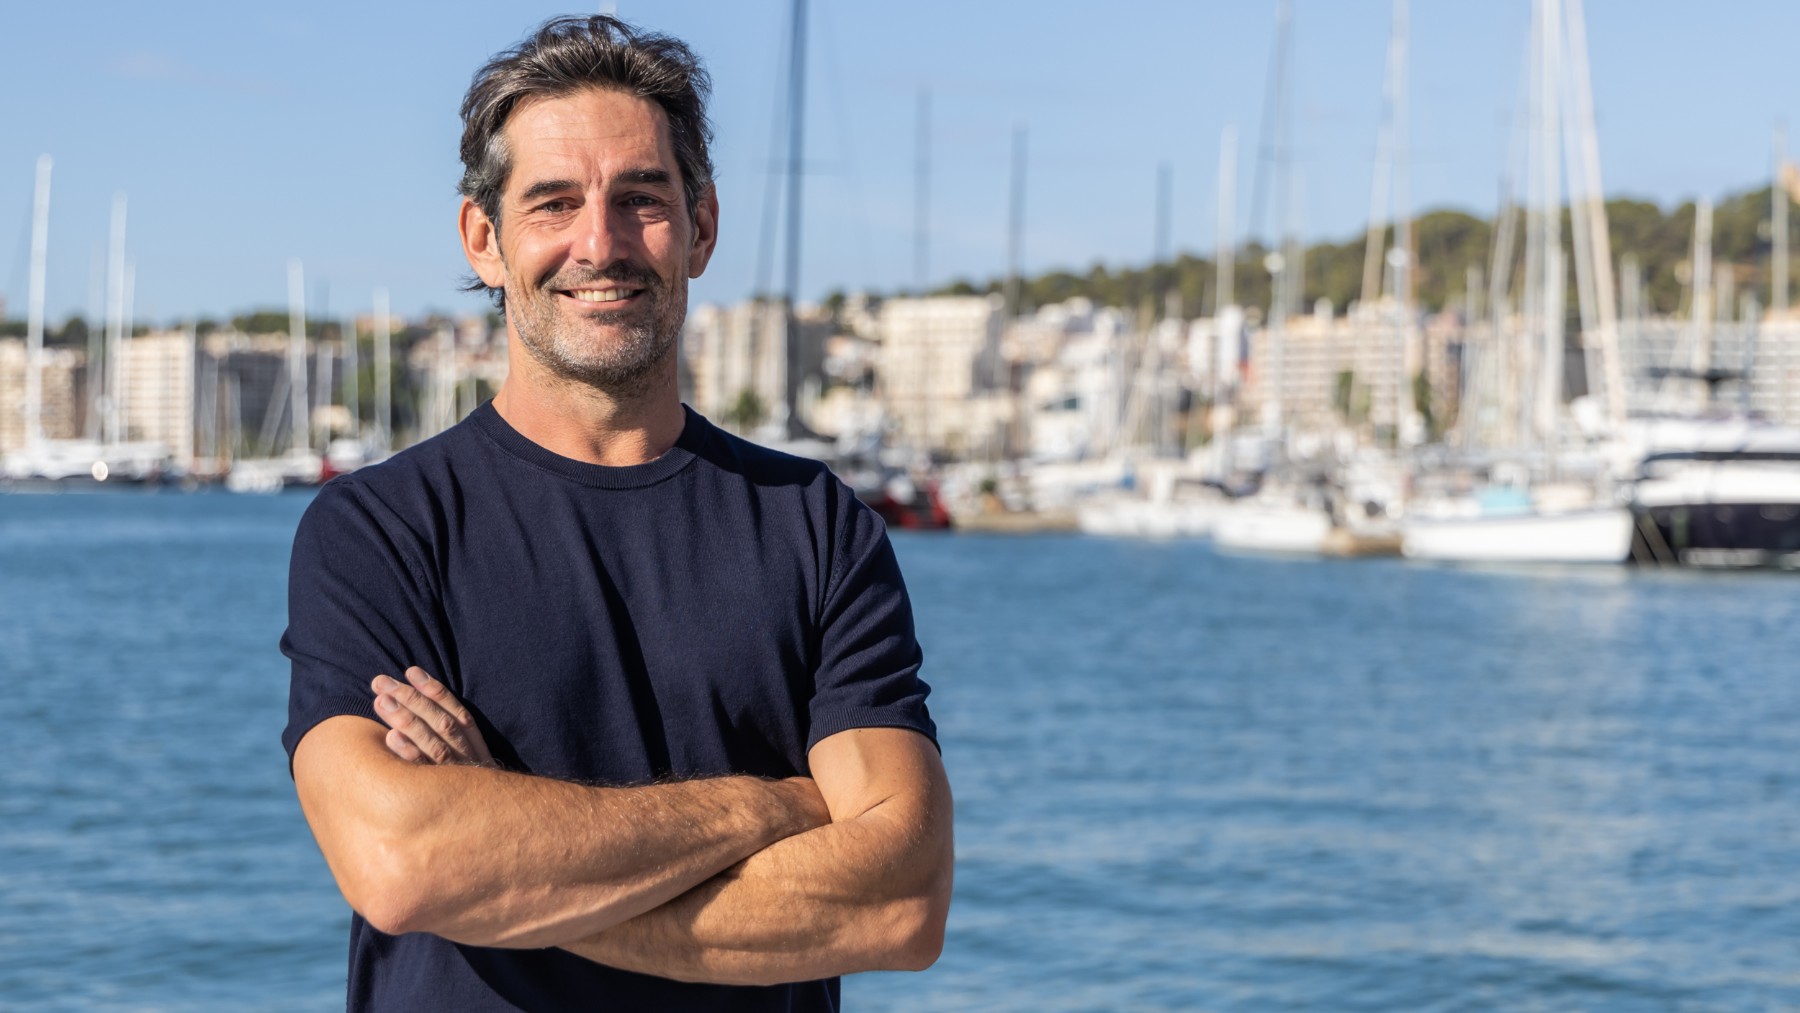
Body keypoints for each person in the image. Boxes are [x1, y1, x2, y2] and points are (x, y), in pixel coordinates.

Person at [280, 15, 952, 1011]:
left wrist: (503, 864)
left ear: (702, 227)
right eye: (554, 202)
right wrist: (769, 806)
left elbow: (901, 901)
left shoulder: (816, 527)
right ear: (485, 239)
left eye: (641, 199)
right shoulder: (379, 531)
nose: (599, 243)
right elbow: (401, 861)